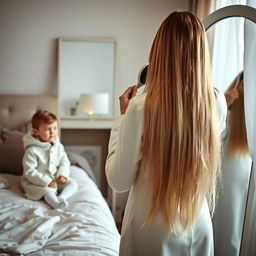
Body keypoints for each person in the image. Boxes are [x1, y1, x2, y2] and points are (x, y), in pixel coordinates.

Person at [105, 11, 227, 256]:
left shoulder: (140, 108)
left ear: (159, 51)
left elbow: (118, 181)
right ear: (201, 53)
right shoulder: (216, 101)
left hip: (149, 228)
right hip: (198, 225)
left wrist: (122, 118)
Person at [213, 71, 252, 256]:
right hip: (224, 189)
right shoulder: (224, 120)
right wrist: (224, 103)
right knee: (228, 231)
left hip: (243, 186)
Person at [21, 110, 78, 210]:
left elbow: (64, 161)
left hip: (56, 178)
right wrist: (47, 181)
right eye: (48, 129)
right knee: (47, 191)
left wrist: (62, 175)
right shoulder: (32, 150)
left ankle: (61, 198)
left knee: (73, 184)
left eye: (55, 128)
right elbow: (29, 172)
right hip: (38, 182)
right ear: (36, 131)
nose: (52, 132)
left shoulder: (57, 145)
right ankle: (56, 204)